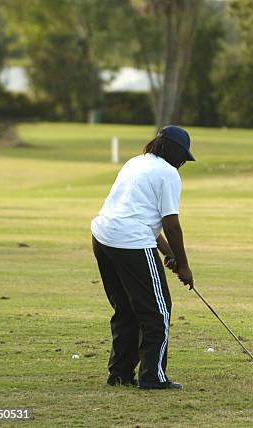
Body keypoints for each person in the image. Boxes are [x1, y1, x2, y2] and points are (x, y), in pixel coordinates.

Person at [91, 125, 195, 390]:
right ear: (175, 152)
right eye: (183, 157)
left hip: (103, 236)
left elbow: (141, 218)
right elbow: (171, 225)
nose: (182, 163)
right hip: (130, 242)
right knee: (157, 311)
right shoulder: (168, 173)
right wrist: (184, 266)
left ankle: (120, 374)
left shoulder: (135, 163)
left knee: (125, 308)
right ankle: (152, 376)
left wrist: (167, 253)